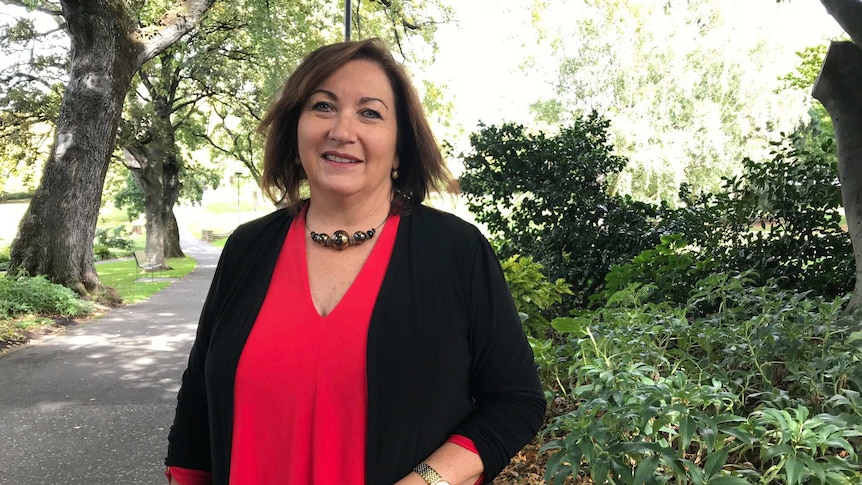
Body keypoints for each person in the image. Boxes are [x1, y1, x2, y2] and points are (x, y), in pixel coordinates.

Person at [164, 38, 545, 485]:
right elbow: (196, 410)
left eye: (370, 112)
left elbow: (516, 400)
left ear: (401, 147)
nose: (342, 130)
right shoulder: (248, 248)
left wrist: (426, 481)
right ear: (295, 130)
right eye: (323, 106)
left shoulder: (455, 251)